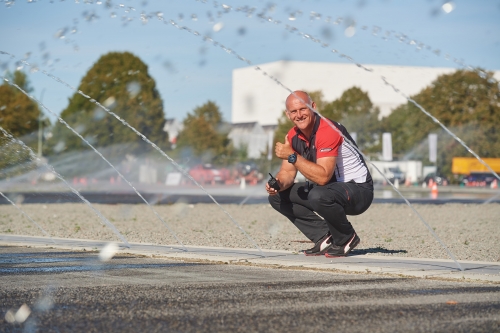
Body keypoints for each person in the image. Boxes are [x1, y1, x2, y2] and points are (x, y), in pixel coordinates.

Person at [266, 91, 374, 257]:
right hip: (330, 190)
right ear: (288, 115)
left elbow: (323, 177)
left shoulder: (327, 130)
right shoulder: (292, 136)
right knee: (278, 197)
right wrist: (277, 184)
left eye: (303, 109)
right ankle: (324, 237)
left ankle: (346, 237)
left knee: (318, 194)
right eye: (293, 112)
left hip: (359, 191)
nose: (299, 115)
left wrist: (292, 156)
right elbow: (287, 172)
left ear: (313, 107)